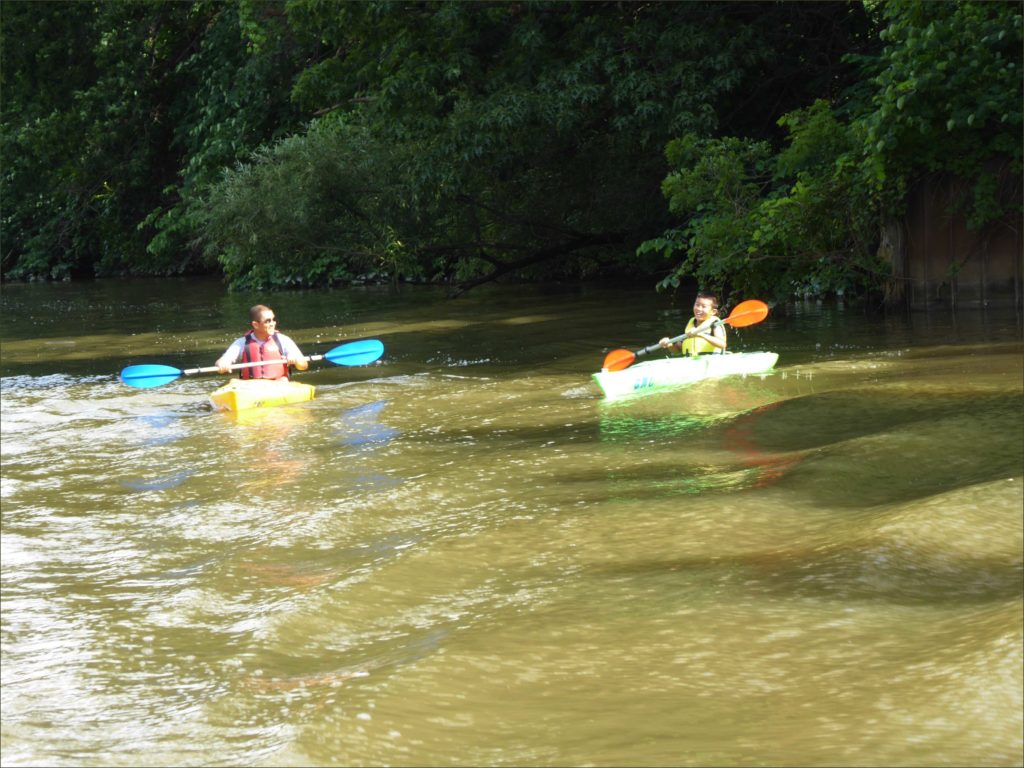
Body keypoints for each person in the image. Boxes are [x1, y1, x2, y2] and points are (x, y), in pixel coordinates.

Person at [216, 304, 309, 380]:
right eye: (268, 321)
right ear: (255, 325)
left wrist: (295, 360)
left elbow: (304, 366)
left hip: (278, 385)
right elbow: (223, 360)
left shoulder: (283, 340)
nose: (272, 324)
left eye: (273, 320)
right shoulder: (241, 343)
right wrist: (223, 363)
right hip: (251, 386)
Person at [659, 292, 727, 356]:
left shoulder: (715, 324)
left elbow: (722, 344)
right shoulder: (690, 324)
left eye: (704, 306)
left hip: (710, 361)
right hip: (691, 362)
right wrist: (669, 344)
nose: (699, 309)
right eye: (697, 305)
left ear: (713, 312)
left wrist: (700, 334)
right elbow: (677, 351)